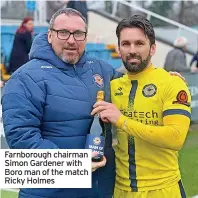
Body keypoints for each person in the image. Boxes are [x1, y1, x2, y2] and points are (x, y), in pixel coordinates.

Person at [2, 8, 119, 198]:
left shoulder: (100, 68)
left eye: (78, 34)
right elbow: (22, 138)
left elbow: (132, 84)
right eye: (63, 33)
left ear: (85, 37)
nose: (71, 40)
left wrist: (163, 79)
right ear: (49, 36)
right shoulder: (25, 78)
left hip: (100, 189)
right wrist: (74, 165)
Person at [91, 15, 191, 198]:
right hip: (121, 190)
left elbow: (175, 138)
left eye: (139, 43)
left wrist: (122, 121)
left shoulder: (172, 83)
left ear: (152, 48)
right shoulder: (112, 86)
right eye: (126, 44)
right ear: (119, 49)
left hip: (163, 189)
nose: (132, 50)